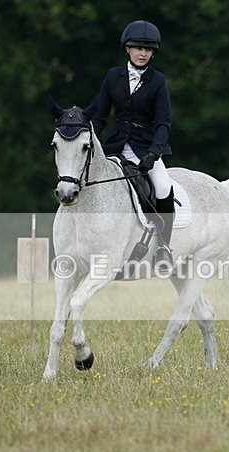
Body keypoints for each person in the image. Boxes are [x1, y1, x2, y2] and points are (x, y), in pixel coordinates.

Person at [84, 20, 176, 270]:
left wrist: (154, 153)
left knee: (163, 187)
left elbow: (164, 123)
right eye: (137, 48)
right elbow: (100, 115)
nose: (143, 53)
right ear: (127, 49)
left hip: (146, 150)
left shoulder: (158, 82)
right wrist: (90, 142)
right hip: (115, 148)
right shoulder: (113, 76)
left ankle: (165, 247)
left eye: (148, 49)